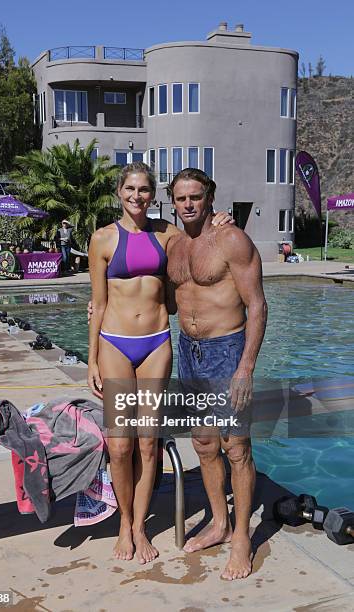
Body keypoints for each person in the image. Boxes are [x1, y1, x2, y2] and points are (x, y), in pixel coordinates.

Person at [87, 162, 231, 565]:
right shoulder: (101, 239)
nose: (137, 195)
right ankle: (123, 521)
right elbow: (97, 304)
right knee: (119, 445)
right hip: (115, 343)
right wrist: (92, 359)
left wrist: (221, 220)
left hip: (156, 343)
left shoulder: (167, 234)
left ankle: (138, 528)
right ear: (119, 191)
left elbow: (201, 239)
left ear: (153, 195)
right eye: (131, 188)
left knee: (148, 442)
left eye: (145, 189)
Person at [167, 168, 267, 581]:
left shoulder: (232, 239)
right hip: (188, 352)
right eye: (180, 198)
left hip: (226, 352)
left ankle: (242, 536)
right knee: (205, 445)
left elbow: (257, 307)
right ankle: (219, 521)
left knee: (236, 447)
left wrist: (245, 367)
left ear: (209, 198)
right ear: (171, 202)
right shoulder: (172, 245)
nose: (188, 204)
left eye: (195, 196)